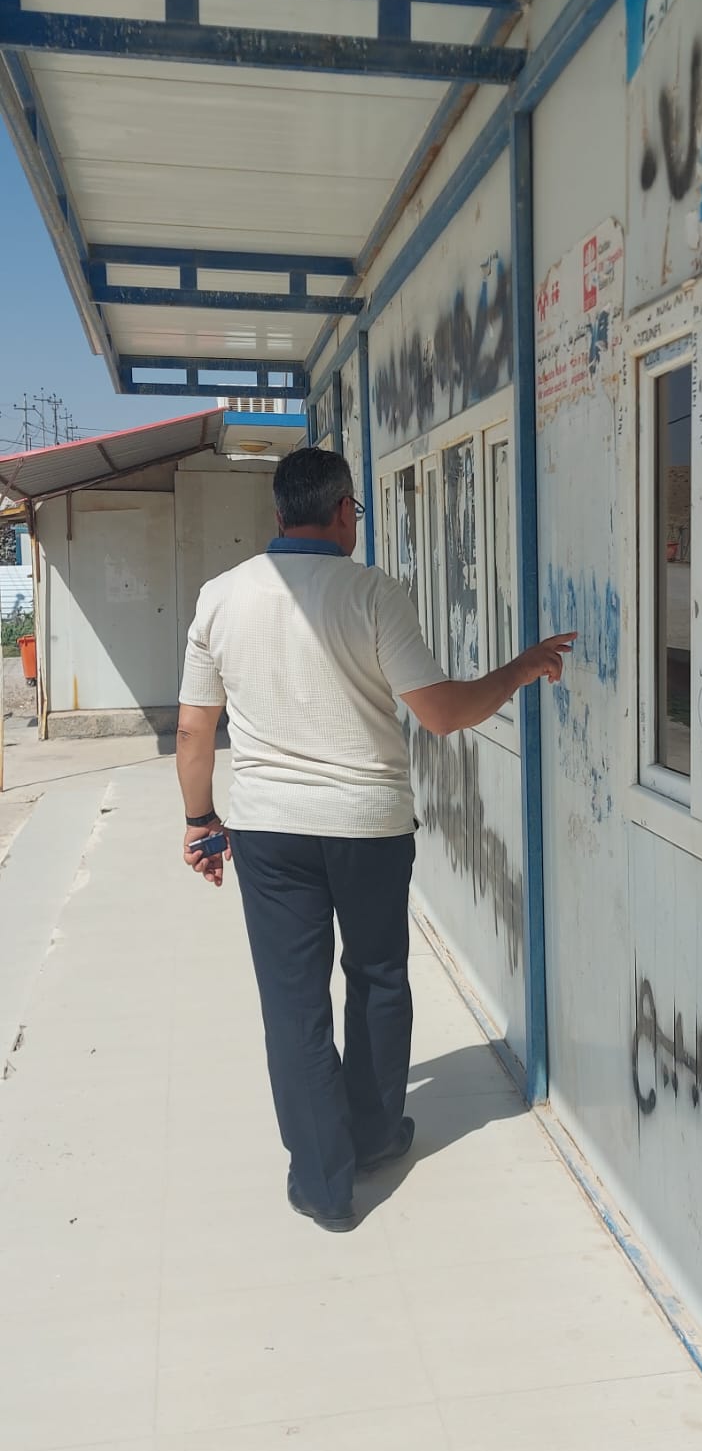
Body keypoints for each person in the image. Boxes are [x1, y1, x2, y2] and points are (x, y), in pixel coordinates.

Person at [176, 447, 575, 1233]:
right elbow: (443, 713)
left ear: (279, 515)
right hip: (366, 826)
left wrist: (200, 822)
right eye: (355, 510)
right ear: (341, 513)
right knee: (377, 979)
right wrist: (522, 668)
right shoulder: (372, 594)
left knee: (293, 1006)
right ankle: (376, 1135)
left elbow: (195, 730)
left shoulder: (220, 598)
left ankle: (323, 1186)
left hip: (269, 832)